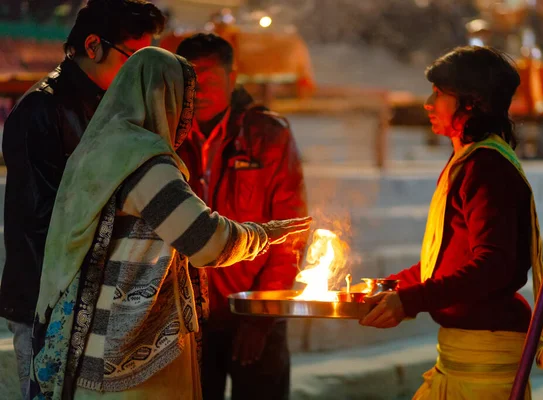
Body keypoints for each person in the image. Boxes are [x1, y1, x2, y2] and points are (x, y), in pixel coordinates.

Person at [29, 46, 311, 400]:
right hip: (126, 353)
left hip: (87, 340)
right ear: (166, 98)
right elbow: (206, 241)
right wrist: (265, 234)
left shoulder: (97, 148)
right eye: (186, 98)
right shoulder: (144, 163)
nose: (188, 114)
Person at [358, 46, 543, 399]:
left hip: (485, 356)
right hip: (461, 352)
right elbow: (447, 259)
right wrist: (391, 287)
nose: (428, 103)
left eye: (439, 93)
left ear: (472, 102)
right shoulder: (467, 161)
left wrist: (410, 300)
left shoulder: (487, 168)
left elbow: (492, 266)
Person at [0, 1, 165, 398]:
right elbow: (47, 219)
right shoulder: (44, 108)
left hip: (86, 293)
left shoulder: (106, 104)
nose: (139, 71)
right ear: (93, 46)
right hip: (50, 299)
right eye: (133, 57)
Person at [176, 33, 308, 400]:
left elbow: (292, 232)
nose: (198, 93)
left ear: (233, 79)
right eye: (190, 83)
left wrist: (261, 316)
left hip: (255, 306)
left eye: (211, 82)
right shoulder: (165, 136)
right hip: (186, 314)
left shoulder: (268, 134)